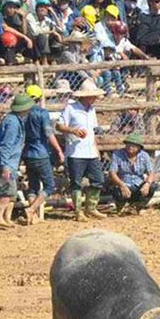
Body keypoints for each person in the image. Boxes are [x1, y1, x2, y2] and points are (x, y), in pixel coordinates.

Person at [56, 78, 106, 222]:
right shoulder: (71, 108)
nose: (95, 98)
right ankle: (78, 211)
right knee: (76, 183)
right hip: (75, 152)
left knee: (98, 179)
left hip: (90, 151)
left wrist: (96, 150)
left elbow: (92, 132)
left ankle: (90, 208)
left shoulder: (92, 110)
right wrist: (73, 130)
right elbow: (59, 126)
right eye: (93, 96)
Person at [0, 94, 35, 227]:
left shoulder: (14, 120)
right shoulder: (13, 122)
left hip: (8, 162)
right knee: (7, 190)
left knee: (11, 191)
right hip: (4, 163)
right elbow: (6, 145)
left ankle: (7, 218)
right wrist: (5, 166)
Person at [23, 84, 65, 225]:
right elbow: (48, 133)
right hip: (41, 153)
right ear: (40, 98)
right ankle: (31, 209)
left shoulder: (23, 113)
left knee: (33, 186)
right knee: (49, 186)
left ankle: (33, 216)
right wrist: (58, 150)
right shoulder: (42, 113)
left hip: (27, 152)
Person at [109, 133, 155, 214]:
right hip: (124, 184)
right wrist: (121, 185)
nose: (130, 147)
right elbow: (112, 172)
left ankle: (138, 207)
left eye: (134, 145)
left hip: (138, 185)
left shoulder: (144, 155)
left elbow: (151, 172)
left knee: (152, 186)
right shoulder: (117, 154)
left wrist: (147, 183)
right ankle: (120, 207)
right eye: (128, 144)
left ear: (139, 147)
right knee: (115, 189)